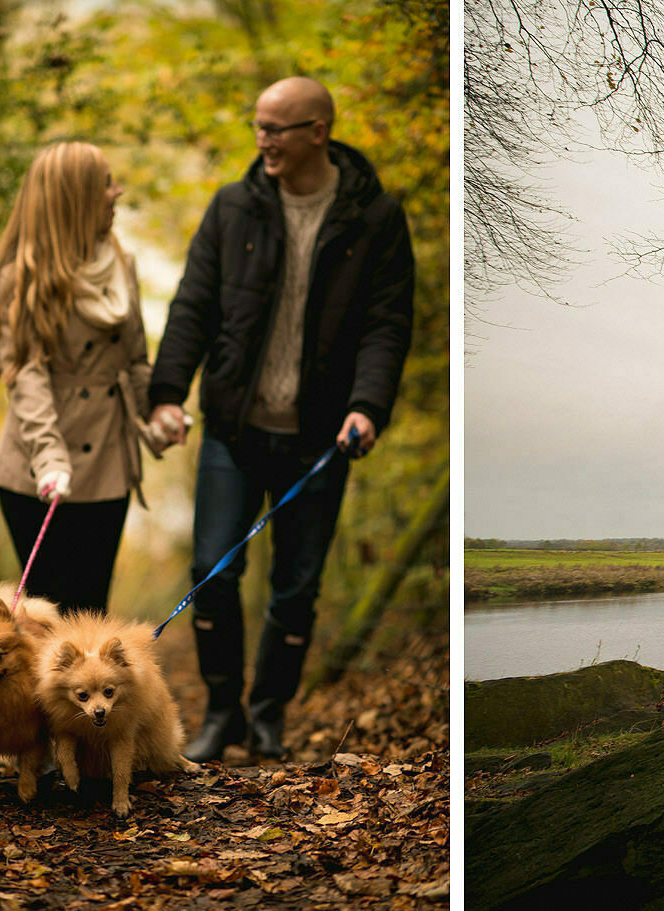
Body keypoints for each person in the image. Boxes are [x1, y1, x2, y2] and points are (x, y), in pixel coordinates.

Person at [149, 76, 414, 763]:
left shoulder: (377, 218)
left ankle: (268, 715)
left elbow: (387, 326)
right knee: (212, 569)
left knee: (296, 587)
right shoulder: (232, 208)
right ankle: (221, 713)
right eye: (258, 126)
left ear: (318, 131)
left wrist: (367, 406)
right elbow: (193, 307)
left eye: (277, 128)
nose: (263, 140)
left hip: (321, 437)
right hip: (234, 429)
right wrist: (168, 393)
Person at [0, 141, 167, 616]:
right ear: (75, 196)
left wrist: (159, 411)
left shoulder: (121, 265)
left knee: (90, 611)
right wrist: (50, 458)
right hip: (38, 474)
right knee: (44, 620)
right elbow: (26, 377)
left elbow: (136, 360)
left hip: (108, 465)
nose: (116, 191)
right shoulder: (21, 278)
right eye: (105, 182)